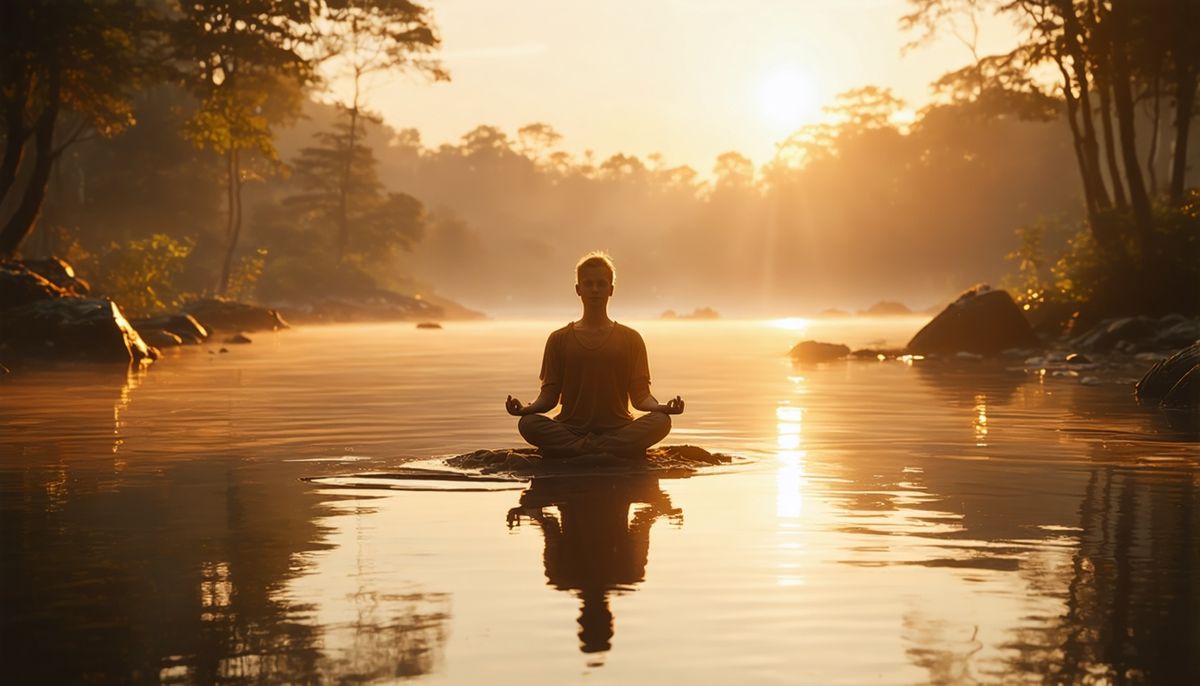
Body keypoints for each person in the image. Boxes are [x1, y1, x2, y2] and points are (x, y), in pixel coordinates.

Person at [505, 252, 684, 458]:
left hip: (619, 428)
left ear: (611, 290)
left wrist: (663, 407)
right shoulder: (558, 339)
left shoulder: (631, 338)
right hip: (570, 428)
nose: (595, 290)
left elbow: (641, 396)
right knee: (528, 424)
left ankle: (582, 449)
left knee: (661, 421)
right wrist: (524, 410)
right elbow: (549, 397)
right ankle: (604, 448)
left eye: (601, 284)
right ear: (578, 289)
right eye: (588, 284)